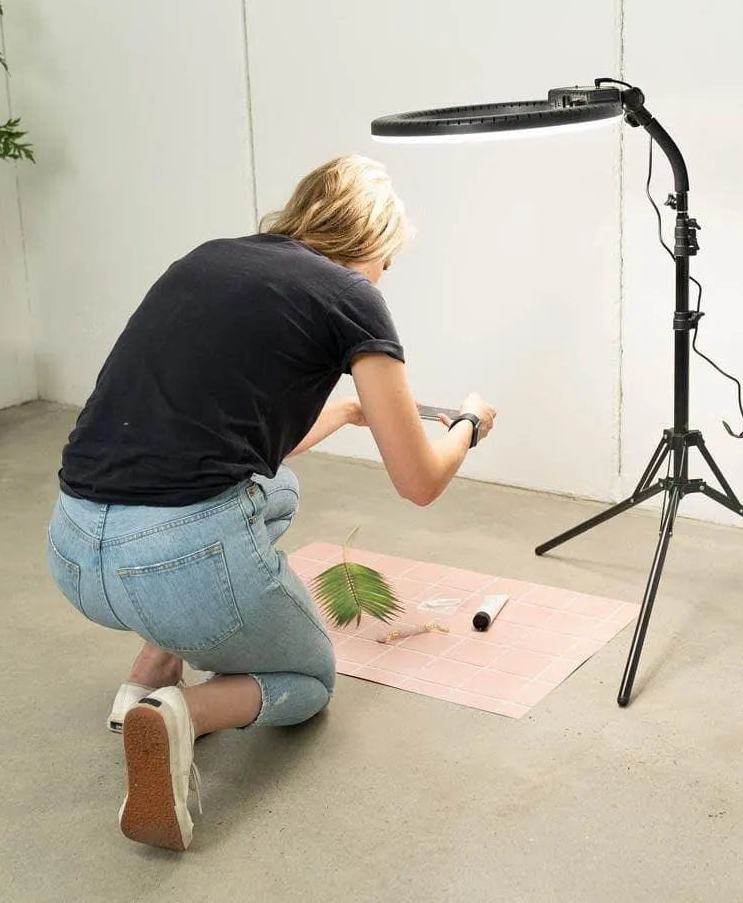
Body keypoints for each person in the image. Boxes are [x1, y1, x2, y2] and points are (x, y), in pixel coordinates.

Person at [47, 155, 497, 851]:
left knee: (278, 489)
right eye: (389, 260)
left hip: (74, 547)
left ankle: (148, 673)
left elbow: (247, 447)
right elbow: (418, 480)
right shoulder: (352, 293)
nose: (383, 276)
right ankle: (179, 713)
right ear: (370, 243)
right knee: (308, 678)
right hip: (177, 564)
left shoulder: (209, 258)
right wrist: (468, 422)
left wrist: (346, 413)